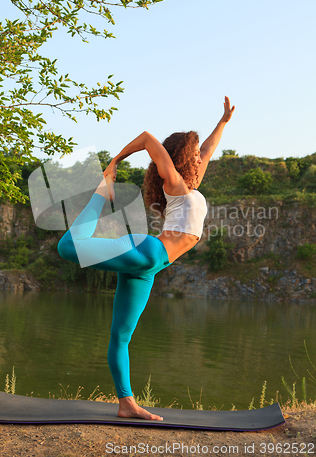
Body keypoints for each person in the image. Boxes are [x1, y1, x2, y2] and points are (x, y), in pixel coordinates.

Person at [57, 96, 235, 421]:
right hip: (147, 252)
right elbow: (147, 139)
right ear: (182, 158)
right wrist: (115, 161)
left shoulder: (191, 187)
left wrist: (223, 121)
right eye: (194, 154)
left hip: (150, 268)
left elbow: (208, 150)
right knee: (68, 247)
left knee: (121, 336)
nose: (201, 157)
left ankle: (126, 403)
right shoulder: (176, 185)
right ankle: (101, 193)